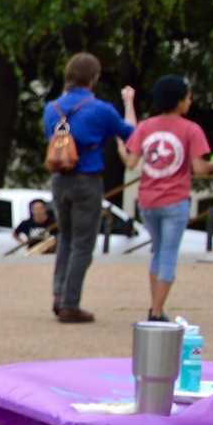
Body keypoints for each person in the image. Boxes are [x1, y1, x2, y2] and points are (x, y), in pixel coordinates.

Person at [124, 74, 213, 320]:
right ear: (179, 101)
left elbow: (131, 162)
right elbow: (200, 168)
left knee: (157, 251)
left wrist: (121, 142)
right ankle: (157, 311)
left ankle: (155, 307)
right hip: (175, 199)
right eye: (188, 97)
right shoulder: (191, 129)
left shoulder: (145, 126)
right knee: (169, 254)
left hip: (147, 200)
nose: (190, 102)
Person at [41, 51, 136, 323]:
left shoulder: (52, 109)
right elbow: (130, 134)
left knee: (66, 239)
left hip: (59, 179)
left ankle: (58, 296)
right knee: (83, 243)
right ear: (93, 78)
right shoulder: (100, 109)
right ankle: (71, 303)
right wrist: (129, 104)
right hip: (87, 178)